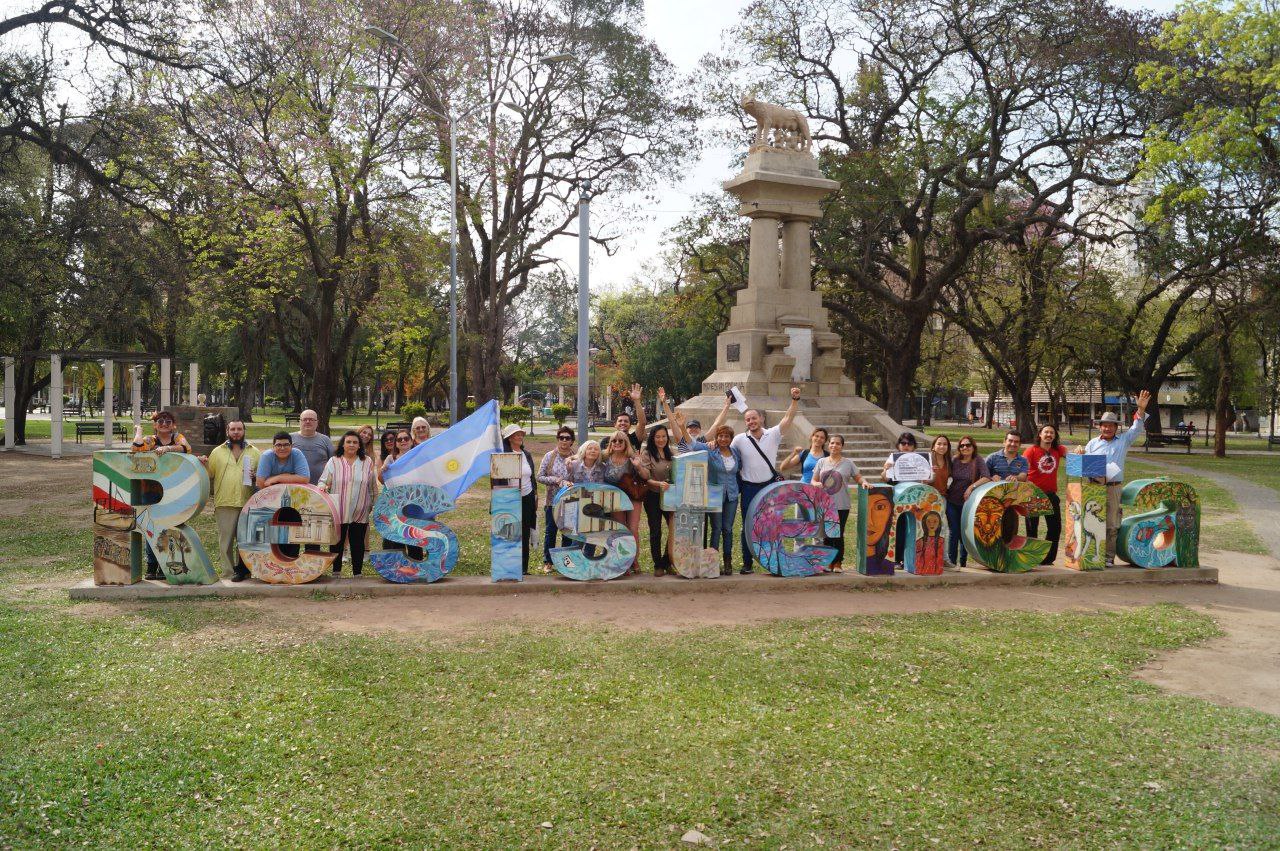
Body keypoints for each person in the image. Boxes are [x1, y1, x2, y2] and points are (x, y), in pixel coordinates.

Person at [730, 387, 802, 574]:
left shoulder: (773, 434)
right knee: (747, 526)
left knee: (772, 525)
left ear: (761, 419)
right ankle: (747, 563)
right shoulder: (739, 440)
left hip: (769, 487)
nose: (751, 422)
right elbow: (726, 453)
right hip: (748, 489)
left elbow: (788, 418)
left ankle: (774, 561)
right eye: (748, 419)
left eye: (754, 418)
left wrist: (795, 400)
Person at [1080, 389, 1151, 566]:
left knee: (1111, 523)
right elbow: (1084, 464)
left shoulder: (1124, 441)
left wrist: (1141, 409)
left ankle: (1108, 557)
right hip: (1093, 486)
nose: (1107, 428)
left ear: (1116, 427)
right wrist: (1080, 452)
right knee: (1091, 522)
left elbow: (1137, 428)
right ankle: (1090, 555)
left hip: (1113, 487)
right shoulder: (1092, 443)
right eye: (1104, 425)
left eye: (1111, 425)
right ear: (1100, 426)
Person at [669, 399, 736, 573]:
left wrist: (726, 406)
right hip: (694, 491)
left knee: (726, 529)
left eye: (695, 428)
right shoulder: (705, 447)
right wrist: (681, 425)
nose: (723, 439)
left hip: (727, 494)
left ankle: (725, 561)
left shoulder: (733, 452)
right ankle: (707, 562)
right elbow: (689, 442)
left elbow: (717, 424)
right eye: (720, 436)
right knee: (709, 528)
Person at [131, 410, 194, 579]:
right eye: (160, 421)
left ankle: (166, 564)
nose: (164, 424)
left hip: (173, 489)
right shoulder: (150, 440)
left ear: (173, 425)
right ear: (155, 425)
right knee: (152, 528)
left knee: (172, 526)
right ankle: (152, 565)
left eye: (168, 421)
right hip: (151, 490)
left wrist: (167, 448)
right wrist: (139, 432)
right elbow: (136, 448)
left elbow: (186, 448)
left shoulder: (177, 437)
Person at [204, 420, 261, 582]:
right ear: (227, 431)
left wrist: (255, 477)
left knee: (245, 540)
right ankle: (228, 573)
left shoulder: (255, 452)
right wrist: (203, 464)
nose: (236, 432)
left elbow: (262, 478)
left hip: (248, 502)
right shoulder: (217, 452)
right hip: (225, 501)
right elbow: (209, 474)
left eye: (239, 429)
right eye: (233, 429)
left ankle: (244, 571)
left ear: (244, 431)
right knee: (226, 541)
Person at [318, 431, 376, 576]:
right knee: (336, 543)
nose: (351, 445)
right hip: (338, 509)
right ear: (343, 444)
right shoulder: (334, 461)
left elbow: (372, 487)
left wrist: (373, 504)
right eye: (348, 442)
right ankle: (336, 573)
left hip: (360, 509)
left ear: (359, 446)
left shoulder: (367, 462)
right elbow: (323, 481)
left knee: (358, 543)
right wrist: (323, 487)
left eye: (355, 442)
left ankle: (357, 574)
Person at [812, 434, 869, 572]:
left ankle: (837, 563)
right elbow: (813, 480)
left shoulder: (848, 463)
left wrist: (864, 482)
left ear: (842, 446)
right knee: (827, 534)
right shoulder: (821, 462)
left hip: (842, 504)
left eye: (838, 443)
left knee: (838, 534)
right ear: (828, 445)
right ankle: (827, 562)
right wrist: (816, 483)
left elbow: (858, 477)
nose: (834, 446)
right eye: (832, 443)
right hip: (825, 504)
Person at [1023, 423, 1068, 565]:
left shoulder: (1058, 450)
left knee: (1055, 528)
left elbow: (1072, 457)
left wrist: (1079, 451)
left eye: (1052, 433)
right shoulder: (1031, 451)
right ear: (1040, 434)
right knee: (1032, 529)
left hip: (1051, 494)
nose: (1049, 435)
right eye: (1046, 432)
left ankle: (1048, 559)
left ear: (1055, 436)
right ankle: (1031, 558)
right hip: (1033, 494)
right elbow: (1022, 470)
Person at [636, 423, 676, 576]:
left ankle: (667, 561)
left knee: (674, 528)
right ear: (652, 438)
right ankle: (658, 564)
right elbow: (645, 478)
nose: (661, 439)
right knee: (656, 530)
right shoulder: (647, 454)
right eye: (657, 437)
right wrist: (658, 484)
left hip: (670, 496)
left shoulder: (671, 453)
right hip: (652, 495)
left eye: (664, 436)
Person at [603, 428, 645, 573]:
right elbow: (585, 454)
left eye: (621, 440)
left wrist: (639, 466)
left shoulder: (632, 458)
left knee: (633, 529)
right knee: (620, 530)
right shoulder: (605, 456)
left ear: (626, 443)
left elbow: (646, 476)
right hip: (615, 498)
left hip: (632, 496)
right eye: (614, 440)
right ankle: (624, 561)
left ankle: (634, 560)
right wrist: (572, 458)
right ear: (610, 443)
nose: (617, 443)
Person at [536, 426, 577, 573]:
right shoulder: (549, 456)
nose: (564, 440)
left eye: (567, 438)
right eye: (561, 438)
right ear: (557, 439)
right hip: (552, 501)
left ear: (572, 441)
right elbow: (539, 476)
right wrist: (556, 480)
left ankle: (565, 562)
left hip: (570, 501)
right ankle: (548, 562)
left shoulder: (576, 457)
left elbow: (581, 476)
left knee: (567, 533)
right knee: (551, 532)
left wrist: (572, 484)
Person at [499, 423, 537, 575]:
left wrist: (535, 495)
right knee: (509, 533)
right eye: (516, 434)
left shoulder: (526, 454)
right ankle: (508, 568)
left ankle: (523, 568)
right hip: (509, 498)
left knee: (525, 533)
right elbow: (498, 478)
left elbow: (531, 476)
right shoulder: (503, 454)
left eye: (521, 434)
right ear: (509, 438)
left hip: (527, 497)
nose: (520, 436)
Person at [946, 437, 989, 568]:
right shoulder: (954, 460)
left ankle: (963, 562)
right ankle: (952, 562)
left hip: (968, 503)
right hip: (952, 500)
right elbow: (945, 473)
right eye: (962, 445)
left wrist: (971, 487)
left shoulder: (978, 460)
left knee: (964, 532)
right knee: (954, 531)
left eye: (968, 445)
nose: (965, 448)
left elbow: (986, 477)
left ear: (973, 446)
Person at [290, 409, 332, 486]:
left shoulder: (325, 440)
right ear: (300, 422)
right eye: (304, 419)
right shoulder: (289, 438)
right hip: (294, 486)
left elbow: (333, 462)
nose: (308, 422)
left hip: (320, 487)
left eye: (311, 419)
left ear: (317, 422)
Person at [614, 383, 648, 450]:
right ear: (615, 425)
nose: (623, 423)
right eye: (620, 421)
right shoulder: (607, 441)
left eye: (626, 421)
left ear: (630, 425)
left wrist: (637, 401)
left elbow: (642, 423)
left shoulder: (635, 438)